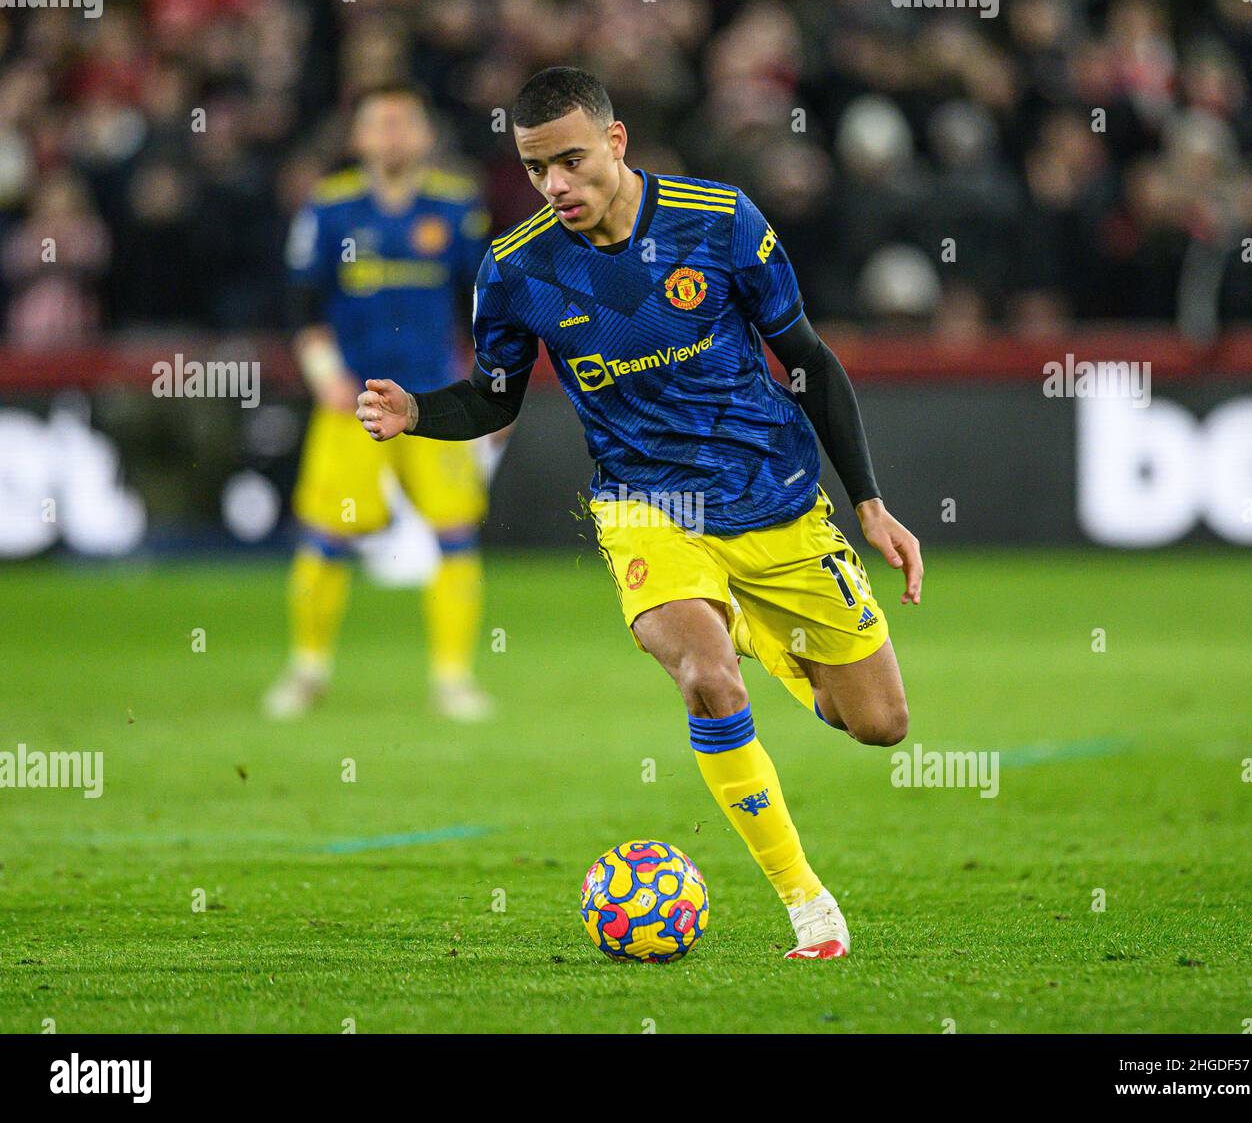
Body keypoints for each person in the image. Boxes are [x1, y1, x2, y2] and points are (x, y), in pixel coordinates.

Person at [356, 68, 923, 959]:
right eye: (538, 169)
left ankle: (767, 637)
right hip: (644, 506)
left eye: (573, 162)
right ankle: (807, 903)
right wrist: (419, 413)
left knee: (880, 725)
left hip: (775, 501)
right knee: (705, 676)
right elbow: (494, 400)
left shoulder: (721, 220)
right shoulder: (516, 270)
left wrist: (871, 504)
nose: (557, 187)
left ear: (616, 144)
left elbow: (808, 360)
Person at [265, 82, 495, 723]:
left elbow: (483, 304)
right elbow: (301, 302)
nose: (391, 135)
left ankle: (453, 679)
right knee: (327, 537)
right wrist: (323, 375)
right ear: (358, 137)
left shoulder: (454, 206)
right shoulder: (331, 206)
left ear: (424, 135)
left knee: (455, 533)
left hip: (433, 402)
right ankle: (307, 669)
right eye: (379, 123)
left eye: (403, 122)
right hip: (355, 401)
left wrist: (486, 386)